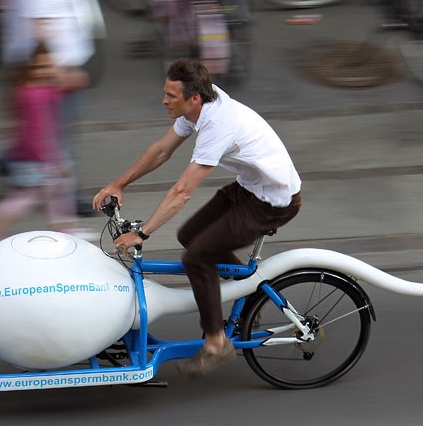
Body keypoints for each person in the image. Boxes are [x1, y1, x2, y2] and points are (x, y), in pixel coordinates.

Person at [92, 59, 302, 378]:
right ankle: (248, 293)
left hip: (273, 202)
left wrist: (143, 234)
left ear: (194, 98)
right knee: (190, 236)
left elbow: (182, 191)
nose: (164, 100)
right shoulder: (197, 107)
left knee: (196, 257)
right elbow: (161, 151)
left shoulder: (218, 124)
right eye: (165, 93)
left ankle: (217, 343)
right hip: (249, 188)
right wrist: (120, 183)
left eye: (170, 96)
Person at [0, 44, 94, 255]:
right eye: (41, 66)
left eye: (49, 65)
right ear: (28, 69)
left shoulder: (40, 90)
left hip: (41, 155)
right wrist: (50, 161)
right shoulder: (34, 95)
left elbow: (77, 82)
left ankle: (66, 228)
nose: (47, 70)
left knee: (59, 190)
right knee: (23, 199)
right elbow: (36, 132)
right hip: (36, 158)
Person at [0, 0, 96, 215]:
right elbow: (40, 20)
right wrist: (57, 71)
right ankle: (63, 196)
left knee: (48, 131)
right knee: (57, 135)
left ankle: (8, 162)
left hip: (51, 62)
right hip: (53, 64)